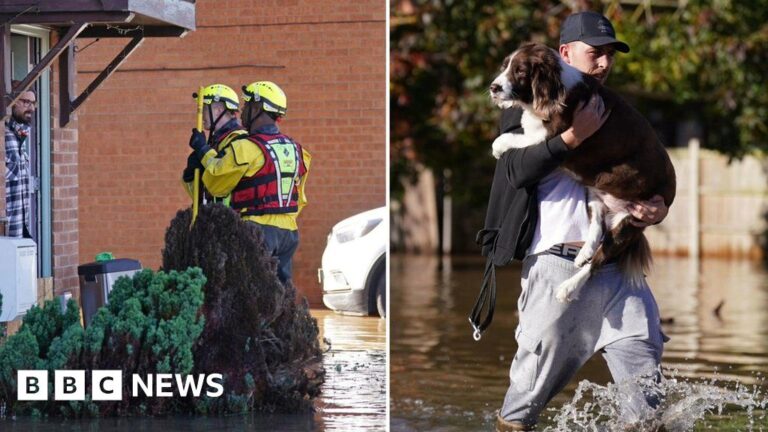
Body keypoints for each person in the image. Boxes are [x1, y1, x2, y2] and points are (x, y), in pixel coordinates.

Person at [483, 12, 670, 431]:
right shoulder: (524, 103)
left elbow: (642, 178)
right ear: (565, 54)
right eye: (595, 53)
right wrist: (572, 137)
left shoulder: (613, 113)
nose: (604, 64)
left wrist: (656, 209)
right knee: (521, 412)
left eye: (610, 55)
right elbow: (515, 171)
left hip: (619, 271)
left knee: (648, 406)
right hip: (555, 269)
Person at [186, 81, 310, 285]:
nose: (241, 111)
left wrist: (202, 151)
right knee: (280, 293)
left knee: (252, 294)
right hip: (289, 233)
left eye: (247, 105)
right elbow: (300, 196)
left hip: (258, 230)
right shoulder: (298, 151)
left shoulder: (247, 148)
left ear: (258, 109)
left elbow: (217, 180)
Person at [4, 85, 36, 238]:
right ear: (12, 102)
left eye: (33, 103)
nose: (31, 108)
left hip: (20, 231)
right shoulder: (4, 136)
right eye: (26, 102)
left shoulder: (21, 137)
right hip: (5, 233)